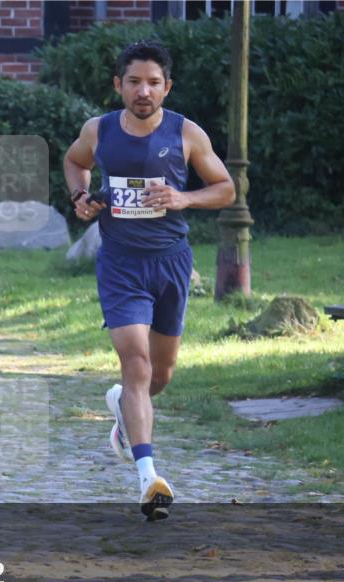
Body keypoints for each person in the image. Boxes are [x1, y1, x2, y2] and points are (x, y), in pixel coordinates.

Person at [63, 41, 235, 521]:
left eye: (154, 83)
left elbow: (225, 189)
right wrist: (81, 196)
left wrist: (183, 199)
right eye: (134, 81)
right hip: (120, 263)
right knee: (135, 363)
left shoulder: (187, 133)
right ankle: (148, 477)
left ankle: (122, 408)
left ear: (167, 87)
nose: (144, 91)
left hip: (171, 263)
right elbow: (75, 162)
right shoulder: (97, 131)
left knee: (159, 376)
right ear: (118, 85)